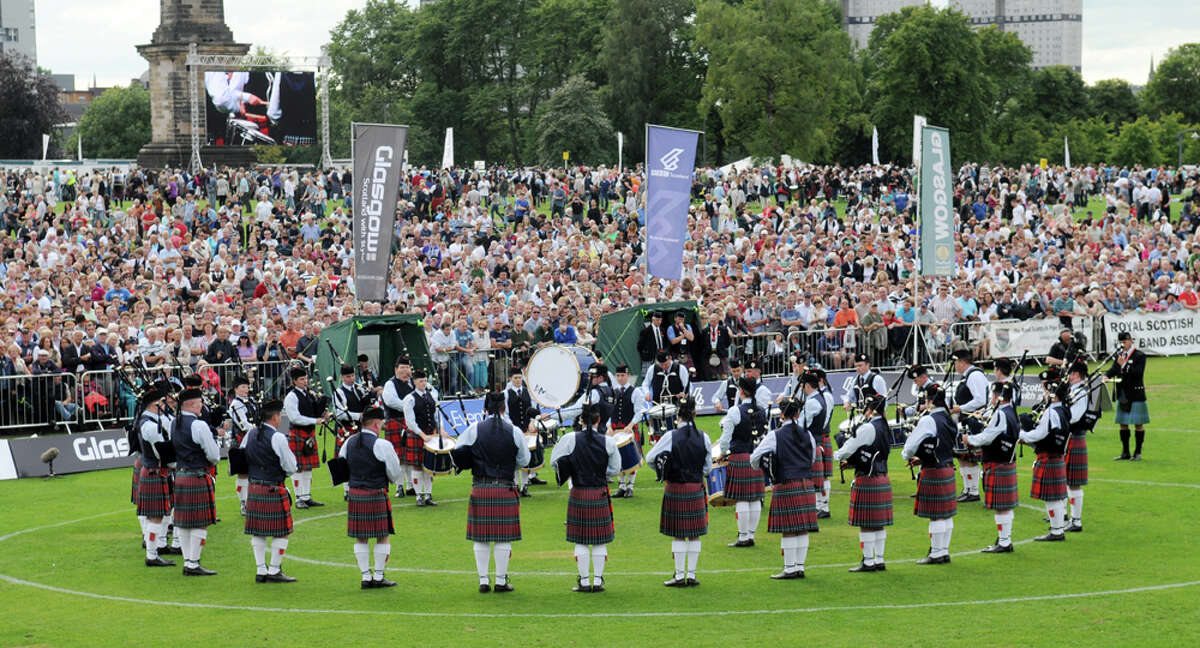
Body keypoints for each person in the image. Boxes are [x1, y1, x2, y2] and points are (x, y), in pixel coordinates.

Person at [453, 391, 530, 593]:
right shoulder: (514, 431)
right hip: (505, 486)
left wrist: (472, 460)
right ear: (504, 408)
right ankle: (501, 581)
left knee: (481, 538)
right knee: (503, 538)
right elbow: (525, 460)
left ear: (485, 409)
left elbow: (458, 452)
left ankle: (483, 580)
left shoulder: (474, 429)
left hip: (481, 487)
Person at [549, 403, 620, 593]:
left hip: (579, 492)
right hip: (599, 492)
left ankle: (584, 581)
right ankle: (597, 582)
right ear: (598, 420)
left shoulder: (569, 439)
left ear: (581, 420)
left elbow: (554, 462)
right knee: (599, 540)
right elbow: (615, 469)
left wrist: (570, 470)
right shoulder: (609, 442)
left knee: (580, 540)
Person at [750, 387, 820, 579]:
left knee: (789, 529)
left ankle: (789, 568)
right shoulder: (808, 435)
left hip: (786, 484)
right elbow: (812, 458)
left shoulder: (775, 435)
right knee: (802, 528)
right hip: (806, 485)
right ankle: (800, 567)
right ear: (797, 414)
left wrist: (765, 468)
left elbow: (754, 458)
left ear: (781, 414)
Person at [646, 396, 712, 587]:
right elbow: (707, 468)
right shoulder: (704, 437)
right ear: (695, 413)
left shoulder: (670, 436)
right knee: (694, 533)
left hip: (675, 487)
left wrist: (663, 471)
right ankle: (690, 575)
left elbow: (651, 458)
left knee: (678, 533)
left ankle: (679, 574)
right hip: (696, 487)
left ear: (678, 416)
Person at [339, 406, 402, 589]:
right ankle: (379, 576)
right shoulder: (382, 444)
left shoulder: (349, 442)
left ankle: (366, 576)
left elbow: (341, 467)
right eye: (381, 423)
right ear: (376, 423)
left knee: (361, 538)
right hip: (375, 493)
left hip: (356, 493)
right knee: (382, 536)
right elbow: (394, 472)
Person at [241, 399, 300, 582]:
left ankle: (261, 570)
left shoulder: (250, 434)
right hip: (273, 488)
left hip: (254, 487)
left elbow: (240, 457)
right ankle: (274, 570)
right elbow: (290, 466)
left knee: (258, 531)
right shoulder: (278, 437)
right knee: (281, 532)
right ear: (275, 417)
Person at [833, 395, 893, 573]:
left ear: (871, 410)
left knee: (866, 523)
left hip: (867, 478)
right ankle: (879, 559)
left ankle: (868, 561)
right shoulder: (884, 426)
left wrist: (838, 455)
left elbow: (848, 449)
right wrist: (853, 462)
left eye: (865, 408)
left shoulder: (868, 427)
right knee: (878, 523)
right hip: (882, 476)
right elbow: (871, 451)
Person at [902, 384, 959, 563]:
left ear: (931, 401)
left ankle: (935, 553)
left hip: (934, 470)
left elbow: (910, 447)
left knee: (936, 514)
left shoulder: (929, 420)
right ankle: (944, 551)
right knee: (946, 514)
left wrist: (909, 455)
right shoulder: (950, 419)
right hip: (948, 467)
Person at [169, 388, 221, 575]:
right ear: (191, 404)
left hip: (181, 476)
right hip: (197, 476)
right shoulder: (199, 425)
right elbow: (214, 455)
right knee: (200, 522)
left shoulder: (174, 423)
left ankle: (188, 561)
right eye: (200, 402)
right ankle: (193, 563)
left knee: (183, 522)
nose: (202, 405)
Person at [965, 383, 1020, 554]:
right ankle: (1005, 538)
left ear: (997, 396)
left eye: (993, 395)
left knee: (1001, 507)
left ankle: (1004, 542)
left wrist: (970, 439)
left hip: (998, 462)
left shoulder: (1001, 414)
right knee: (1005, 506)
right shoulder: (1012, 412)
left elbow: (988, 437)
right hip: (1007, 461)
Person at [718, 377, 767, 547]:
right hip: (756, 456)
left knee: (742, 499)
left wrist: (722, 453)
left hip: (739, 456)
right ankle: (751, 535)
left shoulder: (734, 411)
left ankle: (743, 536)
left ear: (741, 391)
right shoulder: (762, 411)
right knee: (755, 497)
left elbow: (725, 440)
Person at [1019, 383, 1071, 543]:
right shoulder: (1064, 410)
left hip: (1049, 456)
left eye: (1047, 392)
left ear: (1054, 396)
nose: (1045, 394)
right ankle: (1057, 529)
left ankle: (1056, 532)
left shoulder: (1051, 411)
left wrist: (1021, 433)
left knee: (1051, 498)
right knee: (1055, 496)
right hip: (1056, 455)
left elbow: (1040, 434)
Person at [135, 386, 176, 568]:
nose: (165, 405)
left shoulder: (154, 420)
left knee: (160, 514)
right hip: (155, 471)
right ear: (155, 405)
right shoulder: (150, 425)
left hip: (156, 471)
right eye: (162, 402)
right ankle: (152, 555)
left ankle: (157, 548)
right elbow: (162, 451)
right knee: (155, 517)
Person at [283, 366, 327, 509]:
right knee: (298, 467)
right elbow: (295, 418)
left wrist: (322, 413)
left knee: (308, 468)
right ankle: (298, 498)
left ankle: (307, 496)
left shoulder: (308, 394)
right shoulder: (291, 396)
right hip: (298, 433)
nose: (305, 381)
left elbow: (313, 412)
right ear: (294, 381)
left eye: (305, 378)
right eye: (302, 379)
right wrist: (315, 421)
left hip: (308, 434)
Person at [950, 349, 989, 503]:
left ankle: (973, 491)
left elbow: (981, 400)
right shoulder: (968, 376)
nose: (955, 366)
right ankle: (967, 489)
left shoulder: (975, 375)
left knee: (970, 457)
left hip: (973, 421)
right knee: (962, 456)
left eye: (956, 362)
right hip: (965, 420)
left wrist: (960, 408)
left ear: (962, 362)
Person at [400, 369, 444, 506]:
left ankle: (428, 495)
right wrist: (422, 435)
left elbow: (437, 415)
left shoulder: (431, 396)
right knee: (417, 466)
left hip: (430, 435)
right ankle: (419, 495)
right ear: (414, 382)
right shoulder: (410, 398)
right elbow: (410, 422)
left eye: (425, 381)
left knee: (429, 466)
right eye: (420, 381)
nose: (423, 383)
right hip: (417, 435)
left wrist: (440, 429)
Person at [1107, 330, 1149, 460]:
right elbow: (1114, 369)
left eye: (1125, 341)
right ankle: (1125, 452)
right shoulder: (1119, 355)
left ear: (1131, 341)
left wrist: (1124, 364)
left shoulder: (1139, 356)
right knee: (1123, 423)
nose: (1123, 344)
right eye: (1121, 342)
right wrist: (1105, 376)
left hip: (1136, 393)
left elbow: (1138, 373)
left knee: (1138, 423)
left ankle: (1137, 452)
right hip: (1122, 393)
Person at [607, 364, 647, 497]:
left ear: (628, 376)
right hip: (615, 431)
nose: (620, 378)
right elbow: (608, 411)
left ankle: (630, 486)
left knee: (631, 457)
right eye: (618, 375)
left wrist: (630, 425)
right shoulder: (612, 391)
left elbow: (639, 412)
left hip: (628, 429)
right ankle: (621, 486)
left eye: (623, 375)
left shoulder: (635, 392)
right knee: (616, 458)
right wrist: (608, 426)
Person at [1063, 361, 1093, 533]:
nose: (1068, 376)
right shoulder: (1073, 391)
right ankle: (1068, 516)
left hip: (1075, 436)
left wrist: (1059, 418)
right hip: (1070, 438)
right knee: (1068, 480)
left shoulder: (1081, 392)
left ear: (1076, 375)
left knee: (1073, 482)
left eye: (1071, 373)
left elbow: (1075, 417)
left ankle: (1076, 520)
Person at [333, 364, 370, 498]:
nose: (351, 379)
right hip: (347, 428)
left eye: (353, 375)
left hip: (361, 428)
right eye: (348, 376)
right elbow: (339, 413)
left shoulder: (359, 389)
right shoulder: (339, 392)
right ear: (342, 377)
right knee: (345, 459)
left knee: (361, 458)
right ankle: (347, 490)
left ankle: (359, 486)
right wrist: (358, 416)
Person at [381, 357, 416, 498]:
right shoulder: (390, 384)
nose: (405, 371)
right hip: (396, 421)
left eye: (407, 368)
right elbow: (390, 401)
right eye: (402, 368)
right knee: (398, 457)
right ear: (396, 370)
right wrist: (411, 407)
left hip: (410, 421)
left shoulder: (414, 383)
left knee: (409, 456)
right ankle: (399, 486)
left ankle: (411, 486)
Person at [227, 375, 256, 516]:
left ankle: (251, 501)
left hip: (253, 439)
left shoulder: (251, 401)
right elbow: (243, 425)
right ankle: (244, 503)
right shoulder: (235, 404)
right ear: (236, 389)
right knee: (243, 473)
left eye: (247, 386)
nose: (246, 389)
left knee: (252, 471)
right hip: (241, 441)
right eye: (243, 387)